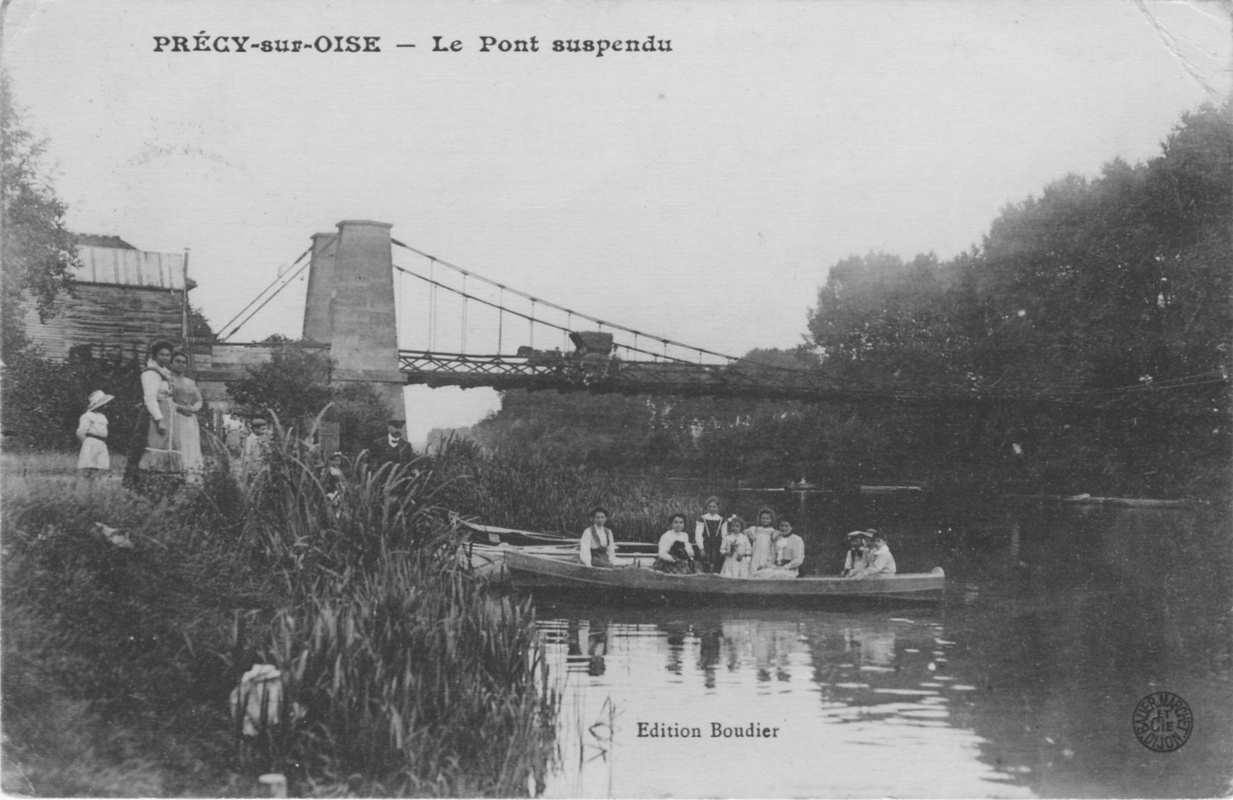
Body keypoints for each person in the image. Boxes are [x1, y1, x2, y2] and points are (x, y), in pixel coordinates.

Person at [132, 340, 181, 479]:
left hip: (167, 413)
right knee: (153, 444)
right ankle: (145, 480)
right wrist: (159, 420)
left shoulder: (164, 372)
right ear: (154, 356)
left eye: (167, 355)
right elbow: (150, 398)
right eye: (161, 354)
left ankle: (163, 480)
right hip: (155, 414)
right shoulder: (151, 373)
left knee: (166, 445)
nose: (165, 357)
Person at [168, 351, 205, 485]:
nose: (181, 365)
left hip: (190, 418)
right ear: (171, 363)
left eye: (184, 362)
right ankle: (177, 473)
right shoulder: (166, 379)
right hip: (174, 416)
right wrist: (179, 407)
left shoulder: (190, 382)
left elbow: (199, 400)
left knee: (191, 444)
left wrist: (194, 408)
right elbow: (165, 400)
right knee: (179, 443)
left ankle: (191, 475)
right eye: (177, 361)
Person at [76, 390, 113, 479]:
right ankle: (86, 483)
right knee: (89, 465)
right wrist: (86, 443)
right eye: (103, 404)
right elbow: (81, 432)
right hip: (91, 442)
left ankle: (97, 484)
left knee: (101, 466)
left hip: (101, 443)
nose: (106, 406)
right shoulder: (87, 416)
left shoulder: (102, 416)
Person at [694, 496, 727, 573]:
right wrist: (701, 549)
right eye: (710, 506)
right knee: (705, 566)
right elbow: (698, 535)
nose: (712, 509)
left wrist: (723, 548)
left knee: (717, 566)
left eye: (714, 507)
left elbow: (724, 536)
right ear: (707, 507)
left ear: (718, 507)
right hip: (706, 545)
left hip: (718, 545)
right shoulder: (702, 519)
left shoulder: (722, 520)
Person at [240, 418, 272, 488]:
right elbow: (246, 454)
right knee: (254, 482)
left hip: (262, 463)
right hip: (254, 464)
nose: (265, 431)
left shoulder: (264, 438)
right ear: (255, 429)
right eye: (262, 429)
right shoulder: (249, 440)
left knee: (263, 481)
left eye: (265, 429)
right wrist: (248, 466)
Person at [747, 507, 777, 572]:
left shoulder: (773, 532)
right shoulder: (756, 529)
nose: (765, 520)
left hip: (767, 552)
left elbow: (773, 546)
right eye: (763, 518)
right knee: (753, 568)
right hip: (756, 553)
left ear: (771, 519)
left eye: (767, 519)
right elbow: (743, 532)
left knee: (764, 569)